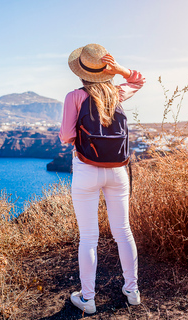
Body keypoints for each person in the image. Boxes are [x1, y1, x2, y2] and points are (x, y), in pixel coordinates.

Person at [59, 43, 145, 314]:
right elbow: (138, 79)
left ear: (81, 72)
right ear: (105, 71)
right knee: (123, 231)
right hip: (118, 171)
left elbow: (66, 136)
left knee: (89, 237)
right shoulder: (117, 93)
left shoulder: (75, 96)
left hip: (86, 169)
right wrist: (120, 69)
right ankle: (132, 291)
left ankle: (88, 298)